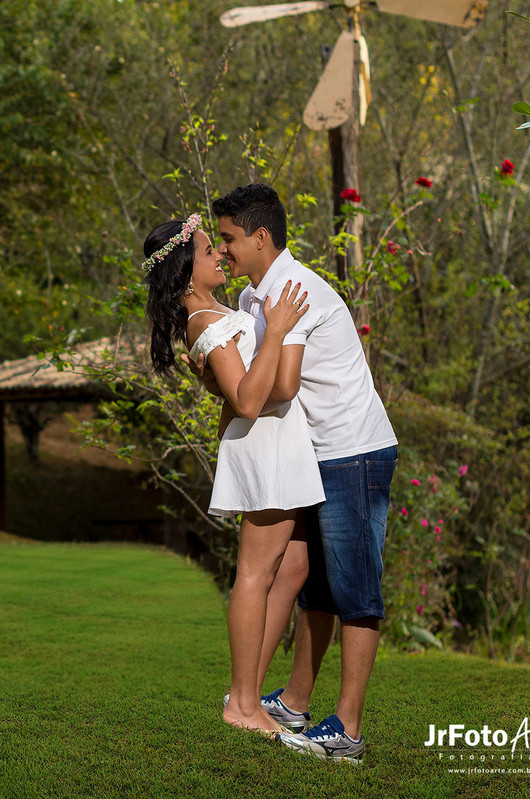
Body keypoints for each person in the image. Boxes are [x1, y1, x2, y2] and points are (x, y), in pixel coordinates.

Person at [201, 183, 399, 763]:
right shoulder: (249, 298)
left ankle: (348, 731)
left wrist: (237, 388)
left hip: (353, 451)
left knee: (354, 589)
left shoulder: (298, 292)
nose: (226, 248)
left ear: (261, 237)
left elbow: (280, 387)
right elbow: (244, 381)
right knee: (312, 582)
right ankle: (292, 700)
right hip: (311, 456)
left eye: (231, 238)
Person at [141, 213, 323, 736]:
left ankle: (252, 697)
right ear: (184, 270)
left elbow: (231, 392)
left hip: (276, 444)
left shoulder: (220, 310)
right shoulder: (204, 323)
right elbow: (246, 400)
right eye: (207, 250)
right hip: (262, 447)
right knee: (254, 574)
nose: (220, 254)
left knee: (292, 569)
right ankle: (242, 704)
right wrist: (279, 331)